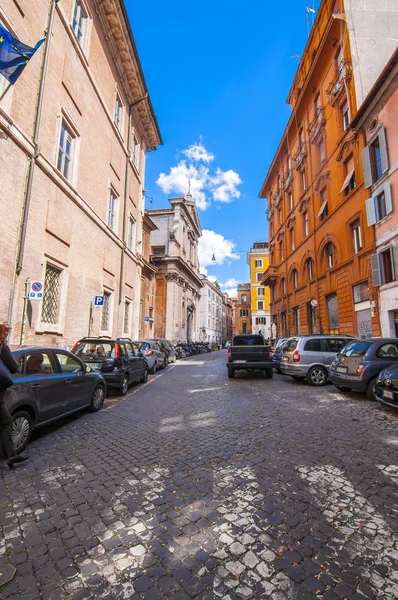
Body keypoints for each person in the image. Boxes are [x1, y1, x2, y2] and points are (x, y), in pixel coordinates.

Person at [0, 323, 28, 469]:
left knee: (5, 420)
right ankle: (11, 455)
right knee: (6, 421)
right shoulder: (3, 348)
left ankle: (11, 455)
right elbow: (14, 368)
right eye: (6, 333)